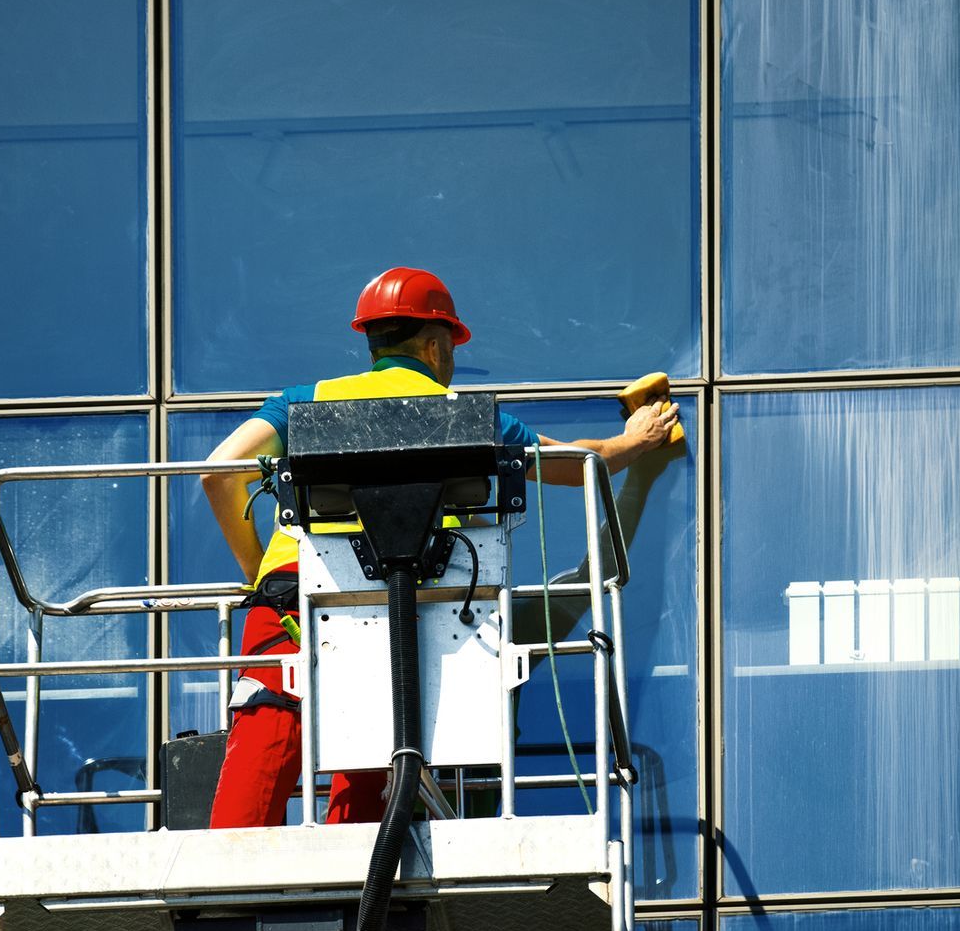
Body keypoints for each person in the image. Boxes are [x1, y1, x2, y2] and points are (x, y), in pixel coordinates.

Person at [198, 266, 680, 829]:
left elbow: (216, 472)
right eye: (449, 345)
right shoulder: (466, 415)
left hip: (293, 599)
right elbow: (578, 464)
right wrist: (636, 440)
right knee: (380, 741)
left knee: (268, 727)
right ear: (433, 344)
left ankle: (222, 890)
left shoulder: (306, 403)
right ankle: (359, 881)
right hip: (408, 612)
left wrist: (259, 569)